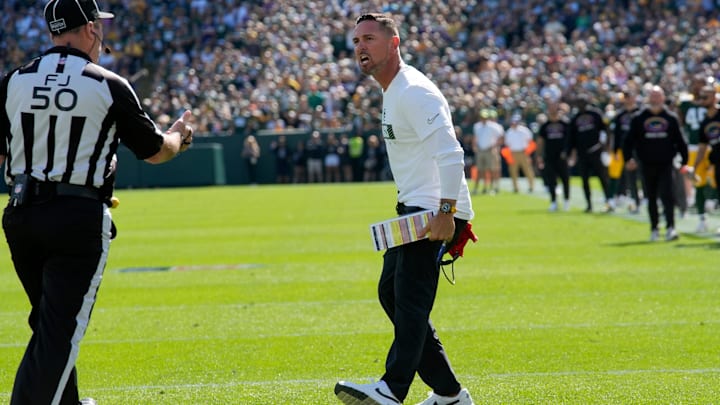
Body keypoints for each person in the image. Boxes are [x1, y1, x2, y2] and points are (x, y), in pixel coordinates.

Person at [0, 1, 195, 404]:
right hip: (76, 217)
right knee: (59, 331)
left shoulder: (14, 80)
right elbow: (156, 151)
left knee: (50, 324)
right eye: (99, 27)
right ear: (89, 29)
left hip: (21, 215)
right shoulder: (107, 83)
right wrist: (180, 136)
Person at [335, 13, 475, 405]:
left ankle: (391, 388)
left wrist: (447, 212)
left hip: (434, 211)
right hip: (416, 210)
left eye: (370, 39)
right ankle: (449, 394)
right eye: (357, 41)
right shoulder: (392, 89)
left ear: (394, 43)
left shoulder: (414, 90)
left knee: (410, 300)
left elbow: (451, 155)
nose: (361, 47)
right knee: (392, 295)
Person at [624, 85, 688, 242]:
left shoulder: (670, 118)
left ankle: (671, 228)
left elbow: (680, 142)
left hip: (666, 163)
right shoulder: (639, 118)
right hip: (646, 163)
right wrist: (628, 158)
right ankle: (654, 228)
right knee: (651, 197)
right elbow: (628, 142)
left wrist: (684, 161)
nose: (655, 100)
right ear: (648, 98)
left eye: (658, 96)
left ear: (663, 98)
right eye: (653, 96)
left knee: (668, 196)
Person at [568, 94, 612, 213]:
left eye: (583, 102)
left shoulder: (596, 114)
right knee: (585, 180)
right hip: (582, 153)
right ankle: (589, 204)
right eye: (579, 102)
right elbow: (571, 138)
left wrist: (606, 146)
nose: (581, 105)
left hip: (596, 150)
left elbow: (606, 130)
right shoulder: (575, 118)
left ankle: (609, 201)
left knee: (603, 177)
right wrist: (572, 154)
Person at [677, 75, 711, 228]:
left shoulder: (712, 106)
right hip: (693, 147)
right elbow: (679, 123)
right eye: (696, 84)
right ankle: (701, 216)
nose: (698, 88)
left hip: (711, 147)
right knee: (697, 180)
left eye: (701, 84)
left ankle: (711, 200)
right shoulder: (685, 104)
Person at [608, 89, 643, 214]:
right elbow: (616, 134)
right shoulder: (620, 115)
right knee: (621, 174)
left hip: (638, 149)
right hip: (624, 149)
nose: (628, 100)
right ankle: (618, 198)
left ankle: (640, 199)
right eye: (626, 97)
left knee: (640, 176)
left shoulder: (640, 113)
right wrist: (615, 150)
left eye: (630, 97)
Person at [694, 84, 720, 233]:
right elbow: (702, 147)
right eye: (701, 97)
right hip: (717, 161)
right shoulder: (705, 122)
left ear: (714, 97)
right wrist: (695, 166)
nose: (703, 100)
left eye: (706, 97)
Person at [536, 102, 571, 211]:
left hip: (562, 156)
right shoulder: (545, 126)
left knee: (565, 179)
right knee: (551, 180)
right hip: (549, 156)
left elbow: (570, 140)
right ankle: (554, 201)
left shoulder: (565, 124)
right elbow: (540, 141)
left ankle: (566, 201)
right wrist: (539, 155)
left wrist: (568, 153)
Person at [471, 108, 504, 195]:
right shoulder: (477, 126)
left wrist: (494, 146)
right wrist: (474, 146)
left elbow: (501, 137)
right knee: (480, 170)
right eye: (482, 117)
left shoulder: (493, 126)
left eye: (485, 117)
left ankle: (491, 188)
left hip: (490, 150)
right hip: (481, 150)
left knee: (492, 169)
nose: (483, 119)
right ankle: (478, 188)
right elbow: (475, 137)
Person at [504, 113, 535, 193]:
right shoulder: (509, 132)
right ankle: (516, 188)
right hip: (513, 153)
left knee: (527, 170)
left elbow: (530, 142)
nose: (514, 123)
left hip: (523, 152)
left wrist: (528, 152)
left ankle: (531, 186)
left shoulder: (524, 130)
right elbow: (507, 144)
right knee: (513, 171)